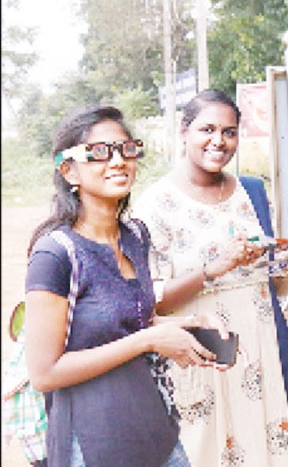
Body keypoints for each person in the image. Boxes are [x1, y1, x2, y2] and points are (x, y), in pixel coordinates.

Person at [24, 105, 228, 467]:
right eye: (99, 152)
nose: (117, 161)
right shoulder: (55, 254)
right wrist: (148, 340)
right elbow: (44, 373)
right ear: (69, 170)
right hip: (94, 443)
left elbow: (133, 321)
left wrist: (188, 324)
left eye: (126, 149)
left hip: (155, 429)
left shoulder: (135, 235)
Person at [132, 89, 288, 467]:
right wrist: (214, 269)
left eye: (229, 132)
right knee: (206, 449)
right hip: (202, 354)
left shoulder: (253, 192)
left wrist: (285, 273)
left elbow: (267, 284)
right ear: (184, 131)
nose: (219, 141)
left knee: (271, 442)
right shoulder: (155, 205)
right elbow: (149, 300)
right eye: (207, 129)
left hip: (263, 349)